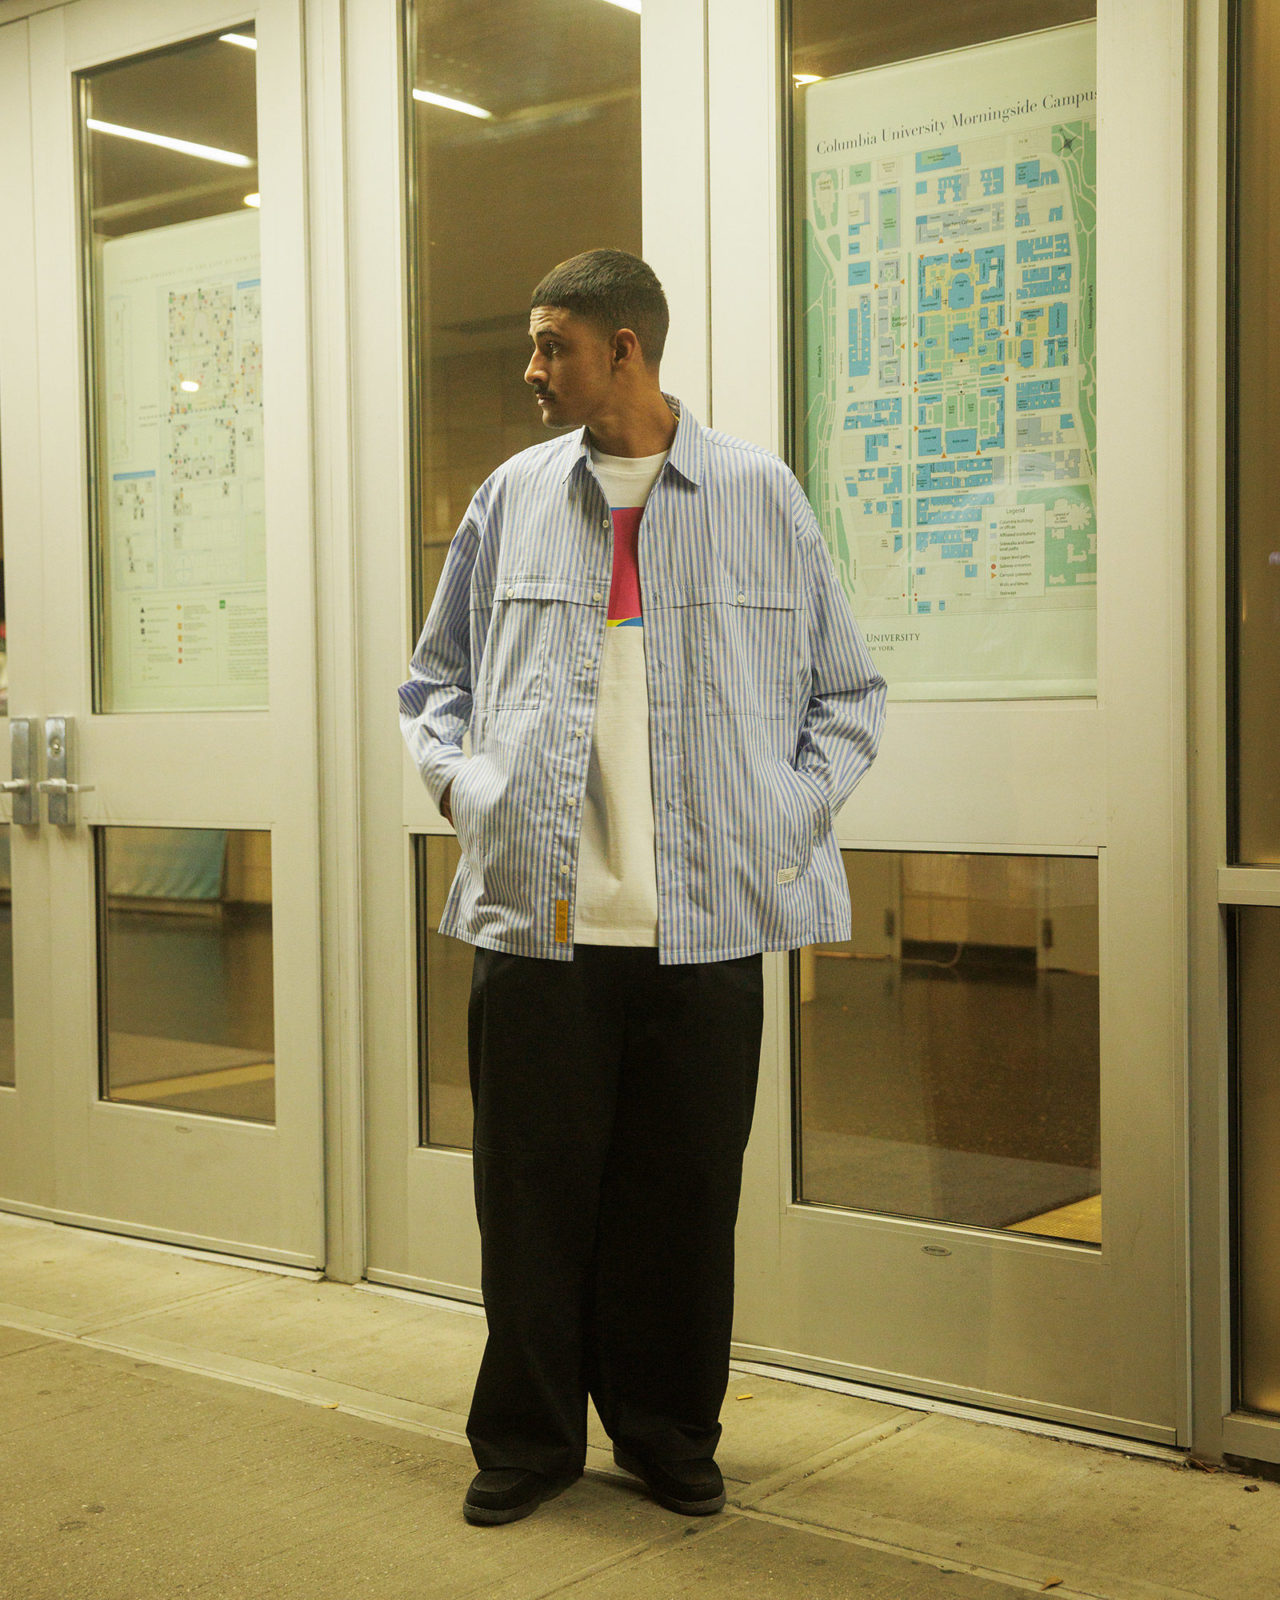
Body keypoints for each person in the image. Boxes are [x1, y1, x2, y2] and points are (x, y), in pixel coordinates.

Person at [399, 249, 886, 1527]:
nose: (530, 368)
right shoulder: (509, 497)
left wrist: (786, 808)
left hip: (704, 925)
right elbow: (433, 680)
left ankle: (666, 1432)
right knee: (528, 1198)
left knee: (681, 1202)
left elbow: (847, 691)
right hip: (539, 917)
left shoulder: (757, 494)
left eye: (549, 342)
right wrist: (466, 787)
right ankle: (527, 1439)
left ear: (624, 347)